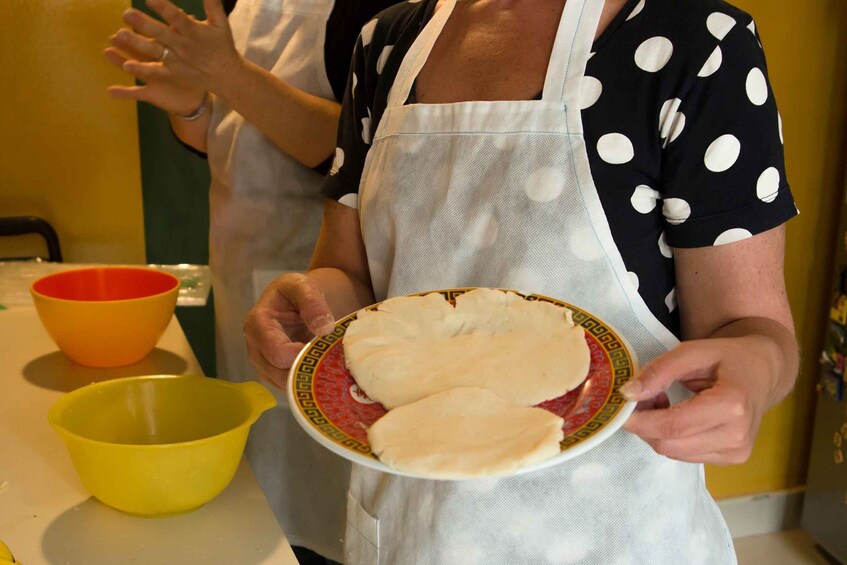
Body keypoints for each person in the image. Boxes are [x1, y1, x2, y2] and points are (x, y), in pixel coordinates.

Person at [244, 0, 800, 562]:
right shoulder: (386, 45)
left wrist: (757, 369)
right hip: (418, 529)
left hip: (613, 533)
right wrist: (310, 309)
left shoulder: (697, 46)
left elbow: (751, 328)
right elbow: (350, 277)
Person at [105, 0, 396, 562]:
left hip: (322, 283)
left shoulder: (378, 12)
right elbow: (235, 137)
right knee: (261, 490)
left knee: (334, 500)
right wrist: (193, 108)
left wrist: (230, 76)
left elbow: (353, 151)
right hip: (243, 273)